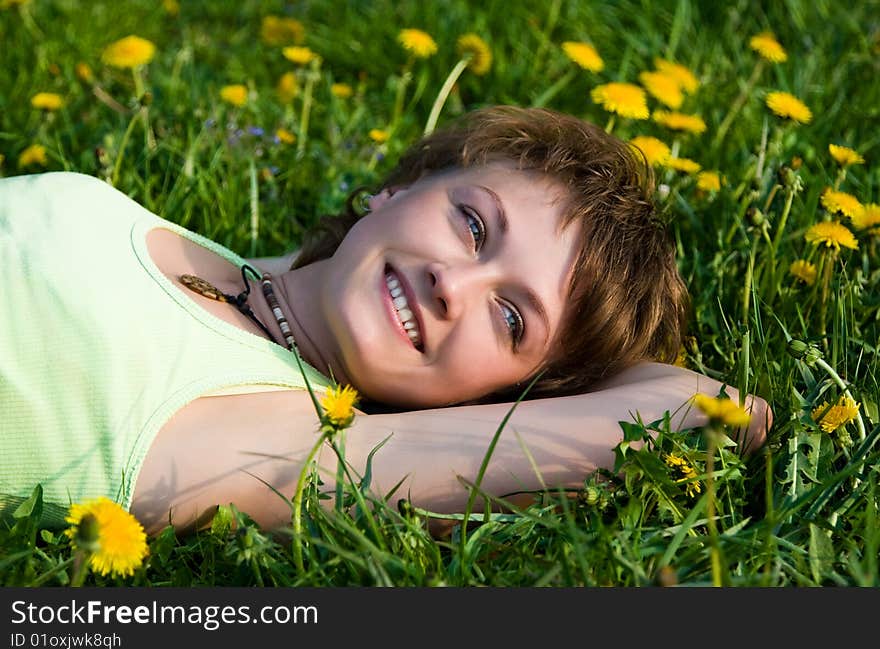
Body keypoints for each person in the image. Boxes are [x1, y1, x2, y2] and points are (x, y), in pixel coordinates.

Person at [0, 106, 771, 537]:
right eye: (472, 225)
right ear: (398, 189)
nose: (452, 282)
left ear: (499, 400)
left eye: (509, 318)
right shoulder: (207, 256)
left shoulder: (286, 442)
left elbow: (675, 404)